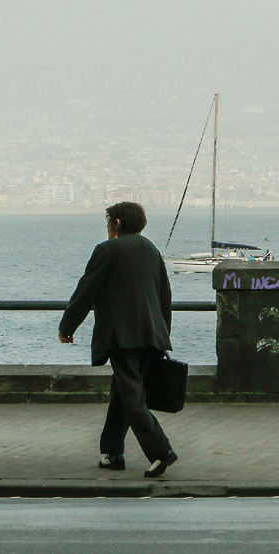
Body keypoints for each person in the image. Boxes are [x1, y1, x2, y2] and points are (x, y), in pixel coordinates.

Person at [58, 201, 179, 478]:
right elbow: (164, 295)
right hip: (152, 335)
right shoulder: (151, 249)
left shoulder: (107, 250)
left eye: (109, 222)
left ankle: (161, 451)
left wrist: (67, 326)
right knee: (122, 395)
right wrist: (163, 334)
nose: (109, 227)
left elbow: (86, 291)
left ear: (118, 223)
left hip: (123, 337)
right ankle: (112, 453)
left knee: (133, 399)